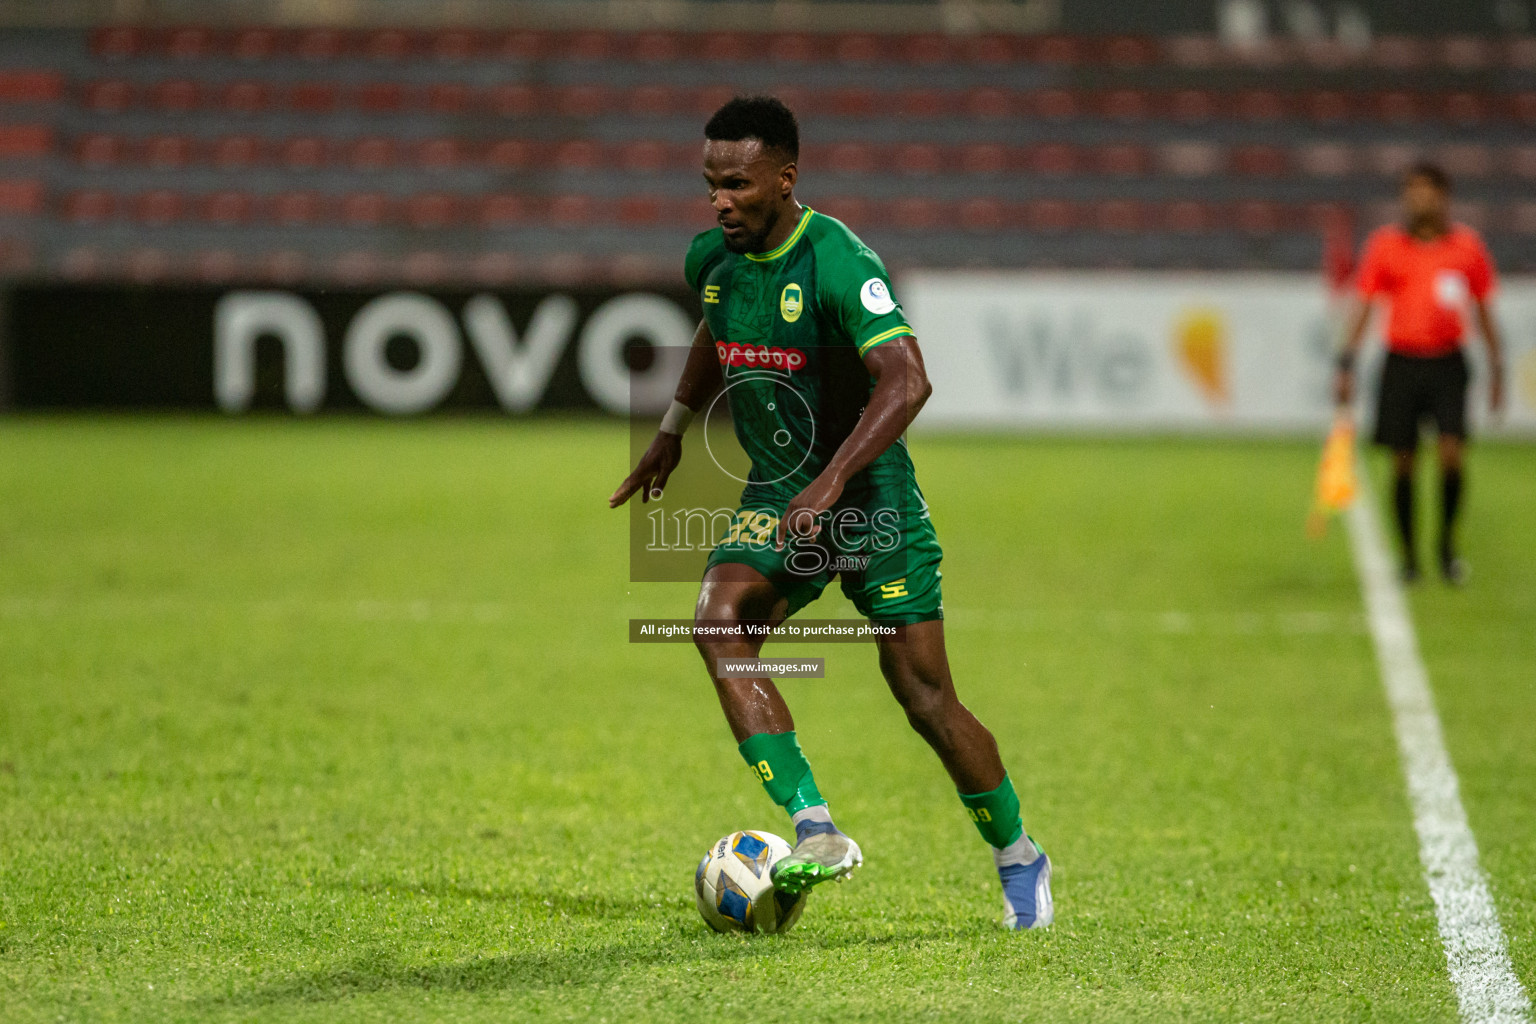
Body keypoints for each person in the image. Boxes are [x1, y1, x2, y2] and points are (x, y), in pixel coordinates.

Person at [609, 96, 1051, 929]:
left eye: (737, 184)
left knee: (924, 699)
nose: (720, 201)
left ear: (785, 178)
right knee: (716, 620)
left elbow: (908, 379)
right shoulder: (712, 258)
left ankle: (1019, 855)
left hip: (871, 498)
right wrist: (671, 429)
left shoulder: (840, 261)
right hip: (780, 493)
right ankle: (815, 827)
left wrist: (834, 479)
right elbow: (716, 331)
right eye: (710, 184)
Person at [1335, 161, 1505, 584]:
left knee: (1451, 454)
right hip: (1402, 362)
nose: (1417, 198)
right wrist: (1347, 360)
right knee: (1403, 461)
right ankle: (1409, 557)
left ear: (1443, 196)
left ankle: (1447, 547)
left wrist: (1496, 363)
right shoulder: (1386, 246)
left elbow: (1483, 309)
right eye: (1411, 190)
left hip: (1448, 362)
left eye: (1426, 190)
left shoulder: (1466, 247)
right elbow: (1365, 305)